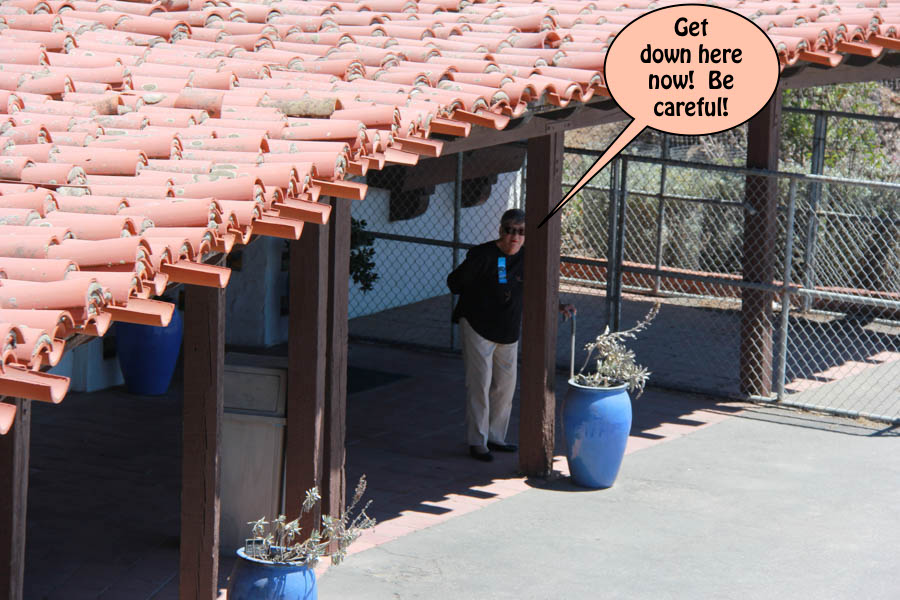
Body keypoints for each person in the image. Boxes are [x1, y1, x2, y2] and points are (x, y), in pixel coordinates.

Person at [447, 209, 576, 462]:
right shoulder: (482, 255)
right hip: (477, 325)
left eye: (520, 232)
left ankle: (496, 436)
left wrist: (559, 305)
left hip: (507, 329)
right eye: (509, 230)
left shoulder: (528, 258)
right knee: (480, 384)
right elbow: (455, 283)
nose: (514, 236)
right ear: (501, 230)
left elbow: (539, 289)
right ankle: (477, 441)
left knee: (505, 387)